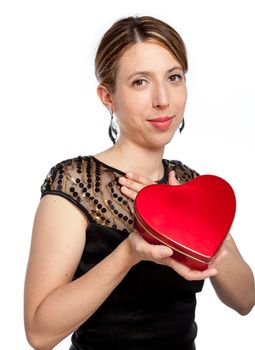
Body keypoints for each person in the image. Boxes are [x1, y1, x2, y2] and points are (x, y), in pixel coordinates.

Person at [24, 16, 255, 350]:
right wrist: (130, 252)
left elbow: (245, 300)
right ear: (108, 97)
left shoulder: (190, 184)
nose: (163, 99)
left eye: (174, 77)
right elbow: (39, 334)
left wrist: (192, 223)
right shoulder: (75, 183)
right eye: (140, 82)